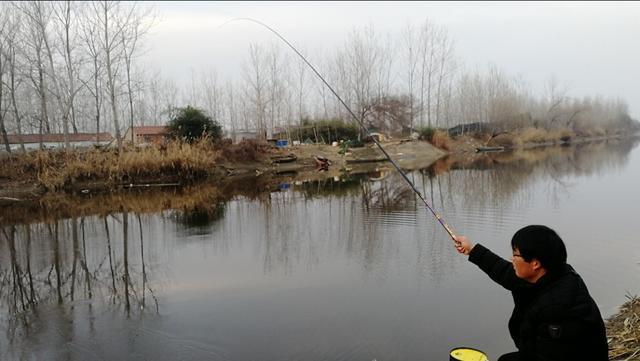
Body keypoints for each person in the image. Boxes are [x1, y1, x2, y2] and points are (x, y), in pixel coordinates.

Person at [453, 225, 608, 361]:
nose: (511, 259)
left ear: (535, 263)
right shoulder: (551, 274)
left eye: (516, 254)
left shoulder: (558, 309)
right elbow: (506, 273)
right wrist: (472, 250)